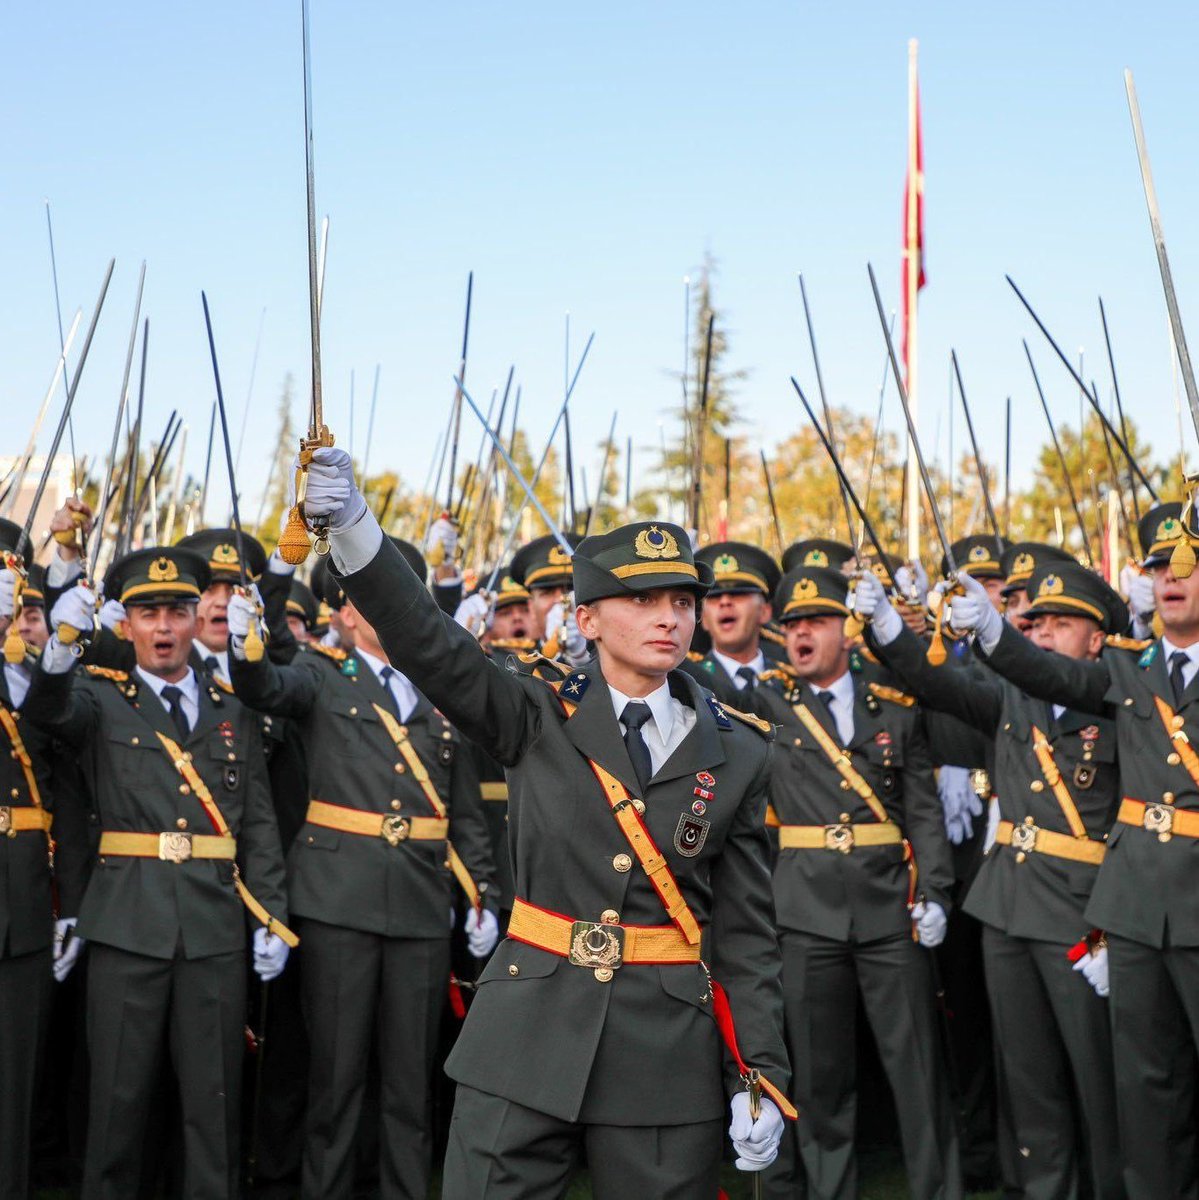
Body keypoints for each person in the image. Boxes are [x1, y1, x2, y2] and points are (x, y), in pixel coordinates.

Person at [296, 445, 792, 1198]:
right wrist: (356, 529)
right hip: (526, 1033)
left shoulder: (740, 751)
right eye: (642, 599)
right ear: (586, 617)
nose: (668, 617)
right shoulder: (533, 710)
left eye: (682, 600)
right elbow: (430, 645)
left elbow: (748, 936)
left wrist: (757, 1073)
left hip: (662, 1049)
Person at [226, 536, 499, 1200]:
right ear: (344, 612)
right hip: (337, 903)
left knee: (411, 1086)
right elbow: (264, 684)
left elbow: (463, 811)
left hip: (419, 907)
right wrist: (246, 640)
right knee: (336, 1084)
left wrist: (483, 893)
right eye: (374, 598)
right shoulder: (323, 675)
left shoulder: (443, 691)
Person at [942, 499, 1199, 1200]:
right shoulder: (1126, 671)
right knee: (1146, 1088)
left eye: (1188, 562)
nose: (1170, 574)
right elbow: (1050, 677)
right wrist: (993, 628)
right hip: (1138, 907)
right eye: (1156, 564)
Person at [22, 545, 293, 1200]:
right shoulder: (96, 697)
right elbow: (47, 712)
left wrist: (272, 914)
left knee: (214, 1112)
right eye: (148, 613)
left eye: (177, 611)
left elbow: (256, 822)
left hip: (214, 931)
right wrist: (60, 647)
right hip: (125, 928)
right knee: (115, 1111)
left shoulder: (233, 708)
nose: (165, 627)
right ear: (127, 625)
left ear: (199, 617)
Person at [856, 559, 1127, 1197]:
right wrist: (890, 624)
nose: (1044, 633)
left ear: (1097, 640)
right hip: (1007, 906)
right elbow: (935, 680)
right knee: (1026, 1081)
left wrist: (1114, 923)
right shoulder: (1011, 696)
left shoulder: (1121, 699)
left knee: (1100, 1080)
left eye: (1063, 624)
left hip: (1083, 914)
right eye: (1036, 622)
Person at [754, 563, 961, 1200]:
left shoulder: (893, 705)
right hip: (806, 912)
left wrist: (936, 892)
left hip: (888, 909)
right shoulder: (766, 702)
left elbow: (921, 809)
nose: (800, 634)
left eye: (814, 620)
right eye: (791, 625)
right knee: (820, 1080)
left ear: (846, 630)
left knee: (919, 1073)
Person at [0, 528, 86, 1200]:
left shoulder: (37, 677)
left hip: (27, 906)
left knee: (15, 1089)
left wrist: (72, 902)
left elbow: (70, 790)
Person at [682, 541, 781, 705]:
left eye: (738, 594)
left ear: (764, 612)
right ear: (703, 618)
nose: (725, 602)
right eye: (714, 597)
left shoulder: (794, 680)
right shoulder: (687, 681)